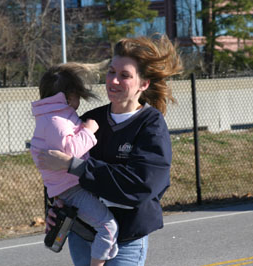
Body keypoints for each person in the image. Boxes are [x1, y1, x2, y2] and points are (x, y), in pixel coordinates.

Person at [37, 34, 183, 266]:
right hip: (82, 235)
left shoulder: (150, 125)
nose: (113, 81)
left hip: (126, 239)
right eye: (111, 72)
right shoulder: (89, 120)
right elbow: (56, 169)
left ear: (143, 84)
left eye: (124, 75)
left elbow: (141, 185)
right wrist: (56, 204)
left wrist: (74, 166)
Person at [30, 63, 119, 266]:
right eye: (78, 95)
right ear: (70, 96)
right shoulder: (56, 120)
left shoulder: (52, 116)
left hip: (70, 186)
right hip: (72, 189)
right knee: (108, 227)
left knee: (97, 226)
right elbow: (69, 152)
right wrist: (89, 130)